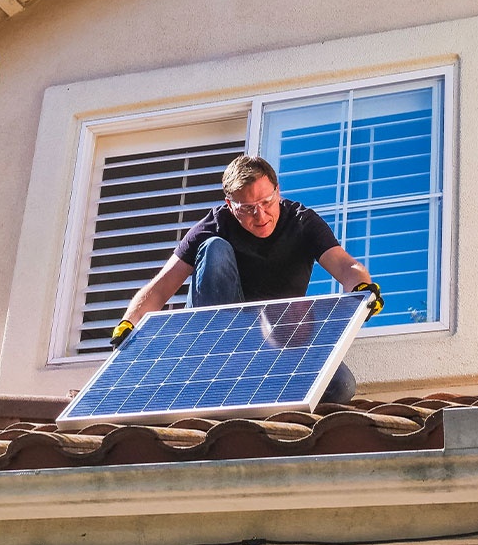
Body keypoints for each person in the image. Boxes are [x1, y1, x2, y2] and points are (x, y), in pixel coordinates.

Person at [107, 155, 383, 403]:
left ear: (278, 191)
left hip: (275, 340)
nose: (260, 216)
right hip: (217, 338)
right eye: (248, 208)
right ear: (230, 204)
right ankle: (214, 366)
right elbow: (160, 287)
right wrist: (129, 323)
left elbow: (345, 266)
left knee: (341, 386)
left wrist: (362, 288)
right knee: (214, 248)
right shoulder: (212, 226)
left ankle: (259, 391)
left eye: (266, 202)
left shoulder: (302, 222)